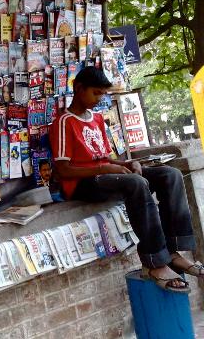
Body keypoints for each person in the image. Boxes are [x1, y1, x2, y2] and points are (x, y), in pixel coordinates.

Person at [51, 66, 201, 293]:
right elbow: (64, 170)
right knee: (136, 184)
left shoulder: (98, 119)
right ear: (79, 89)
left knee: (170, 175)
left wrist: (128, 164)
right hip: (83, 183)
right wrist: (106, 168)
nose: (99, 99)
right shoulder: (64, 122)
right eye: (96, 93)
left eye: (103, 94)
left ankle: (173, 251)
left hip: (106, 174)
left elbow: (105, 158)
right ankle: (154, 263)